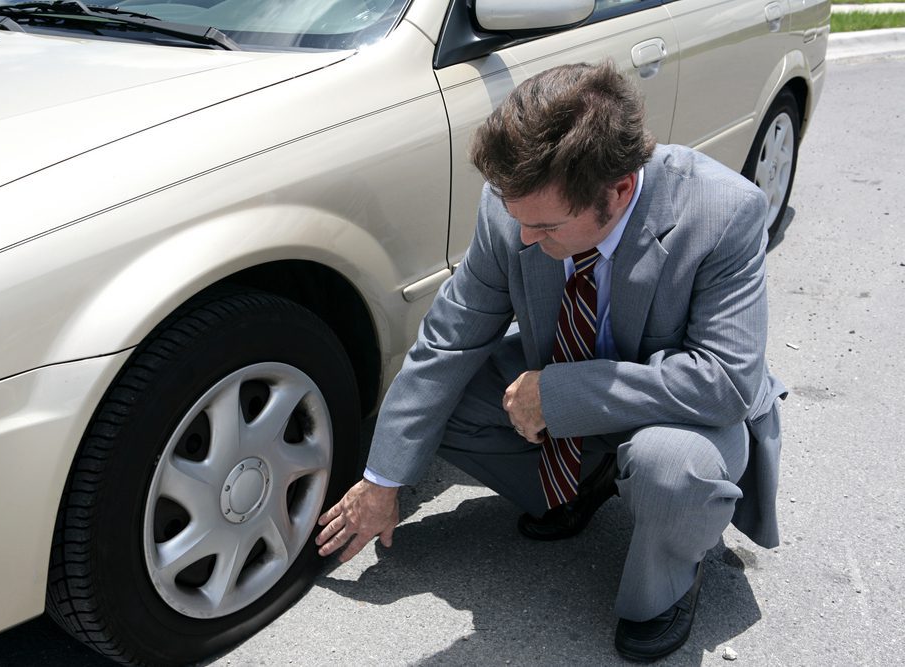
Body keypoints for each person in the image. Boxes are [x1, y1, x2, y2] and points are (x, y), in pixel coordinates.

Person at [316, 61, 786, 662]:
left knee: (670, 469)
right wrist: (382, 482)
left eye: (545, 227)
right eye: (518, 220)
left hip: (685, 413)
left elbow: (726, 383)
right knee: (441, 396)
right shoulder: (512, 210)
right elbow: (447, 344)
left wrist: (559, 395)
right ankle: (584, 483)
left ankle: (669, 578)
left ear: (617, 192)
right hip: (578, 371)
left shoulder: (724, 212)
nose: (526, 240)